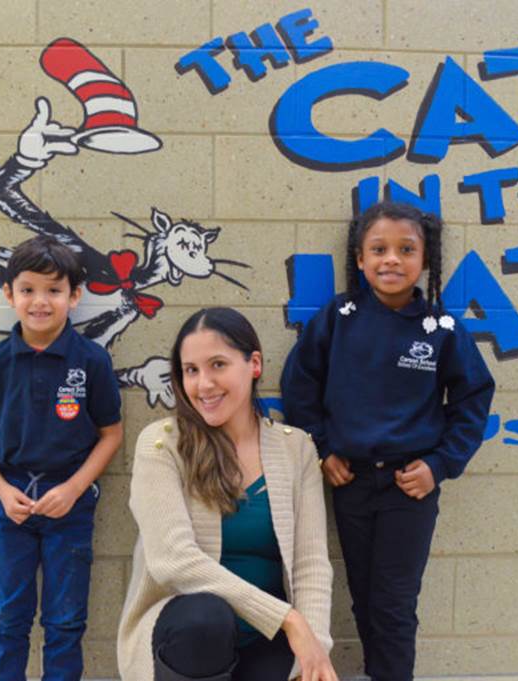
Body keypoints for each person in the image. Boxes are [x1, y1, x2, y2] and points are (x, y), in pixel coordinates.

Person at [281, 201, 495, 681]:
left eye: (406, 250)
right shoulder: (339, 317)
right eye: (378, 249)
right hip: (351, 480)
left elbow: (472, 399)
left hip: (409, 487)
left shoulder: (440, 331)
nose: (391, 260)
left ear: (425, 260)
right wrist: (322, 448)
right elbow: (300, 384)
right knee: (365, 595)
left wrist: (439, 465)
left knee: (395, 602)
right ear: (359, 259)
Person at [118, 307, 336, 681]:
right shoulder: (162, 444)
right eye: (191, 370)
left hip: (267, 640)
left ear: (253, 364)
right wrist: (287, 618)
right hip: (192, 636)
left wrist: (312, 646)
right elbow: (173, 560)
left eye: (218, 364)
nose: (204, 384)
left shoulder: (296, 448)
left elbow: (311, 564)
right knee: (207, 617)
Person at [0, 235, 123, 681]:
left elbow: (111, 434)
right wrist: (1, 490)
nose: (40, 301)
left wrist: (72, 489)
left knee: (66, 621)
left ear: (75, 296)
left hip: (70, 507)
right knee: (9, 619)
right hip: (9, 504)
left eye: (54, 290)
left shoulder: (90, 360)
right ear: (9, 294)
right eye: (28, 290)